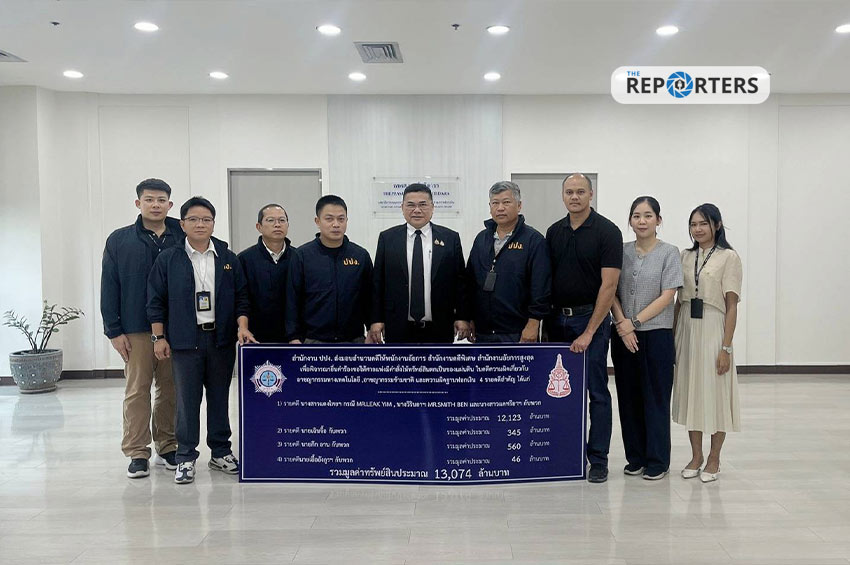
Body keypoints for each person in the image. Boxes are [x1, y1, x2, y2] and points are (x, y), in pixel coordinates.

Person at [147, 196, 256, 484]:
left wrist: (242, 327)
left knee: (220, 398)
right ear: (182, 224)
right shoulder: (169, 259)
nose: (200, 224)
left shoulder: (227, 258)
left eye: (206, 219)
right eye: (193, 219)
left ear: (213, 224)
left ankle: (221, 452)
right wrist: (159, 337)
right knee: (187, 401)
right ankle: (185, 456)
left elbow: (242, 298)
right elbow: (155, 301)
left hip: (220, 340)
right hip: (185, 341)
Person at [101, 178, 183, 479]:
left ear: (170, 204)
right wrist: (113, 330)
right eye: (149, 200)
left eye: (161, 200)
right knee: (137, 390)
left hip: (177, 328)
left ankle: (168, 445)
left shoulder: (182, 235)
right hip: (135, 329)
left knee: (171, 389)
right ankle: (137, 452)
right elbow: (109, 286)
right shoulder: (120, 240)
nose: (155, 205)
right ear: (138, 203)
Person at [545, 173, 623, 483]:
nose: (574, 197)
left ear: (591, 194)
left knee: (596, 391)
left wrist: (589, 331)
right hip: (557, 321)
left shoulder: (607, 232)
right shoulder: (554, 232)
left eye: (580, 191)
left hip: (591, 320)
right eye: (569, 192)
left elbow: (609, 285)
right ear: (563, 196)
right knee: (559, 392)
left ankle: (598, 459)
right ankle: (567, 455)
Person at [610, 196, 683, 481]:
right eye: (636, 216)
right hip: (623, 335)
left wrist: (635, 322)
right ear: (630, 220)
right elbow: (611, 289)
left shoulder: (669, 252)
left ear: (658, 220)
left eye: (648, 216)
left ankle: (657, 460)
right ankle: (636, 457)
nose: (642, 221)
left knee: (656, 398)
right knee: (628, 398)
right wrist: (623, 324)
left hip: (656, 335)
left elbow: (668, 295)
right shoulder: (621, 251)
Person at [672, 203, 742, 483]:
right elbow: (678, 301)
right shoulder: (685, 256)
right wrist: (673, 336)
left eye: (703, 223)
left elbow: (732, 306)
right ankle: (696, 456)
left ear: (717, 225)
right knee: (692, 391)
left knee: (716, 393)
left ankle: (714, 458)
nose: (698, 229)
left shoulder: (729, 257)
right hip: (687, 326)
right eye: (693, 224)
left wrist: (726, 347)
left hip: (714, 326)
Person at [370, 183, 471, 344]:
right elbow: (378, 283)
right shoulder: (387, 238)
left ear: (432, 207)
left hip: (440, 327)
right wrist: (376, 320)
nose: (417, 210)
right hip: (397, 327)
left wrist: (462, 317)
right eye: (411, 205)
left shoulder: (450, 238)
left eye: (423, 204)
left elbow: (460, 283)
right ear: (402, 207)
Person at [466, 181, 551, 343]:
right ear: (490, 207)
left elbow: (541, 287)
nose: (500, 208)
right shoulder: (481, 239)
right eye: (495, 203)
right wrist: (468, 316)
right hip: (483, 331)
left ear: (519, 206)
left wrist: (533, 323)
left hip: (518, 331)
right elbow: (470, 280)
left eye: (506, 202)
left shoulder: (534, 240)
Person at [285, 195, 372, 343]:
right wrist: (293, 336)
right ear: (317, 221)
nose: (336, 224)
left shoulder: (360, 255)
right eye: (329, 219)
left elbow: (369, 297)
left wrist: (371, 327)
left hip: (353, 340)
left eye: (341, 219)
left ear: (347, 221)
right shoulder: (302, 256)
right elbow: (292, 299)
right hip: (313, 340)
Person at [237, 203, 293, 343]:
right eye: (270, 220)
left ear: (288, 225)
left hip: (292, 338)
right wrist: (243, 327)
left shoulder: (299, 258)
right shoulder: (244, 259)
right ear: (259, 227)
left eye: (282, 220)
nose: (277, 225)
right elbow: (241, 299)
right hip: (255, 337)